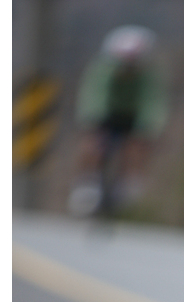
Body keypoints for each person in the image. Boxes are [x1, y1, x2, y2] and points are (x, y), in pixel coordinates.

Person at [69, 26, 168, 218]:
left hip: (133, 117)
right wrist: (94, 121)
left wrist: (149, 126)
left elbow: (153, 101)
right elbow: (94, 96)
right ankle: (87, 181)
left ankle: (130, 182)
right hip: (106, 114)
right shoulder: (103, 69)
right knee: (93, 143)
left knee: (138, 145)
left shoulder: (149, 75)